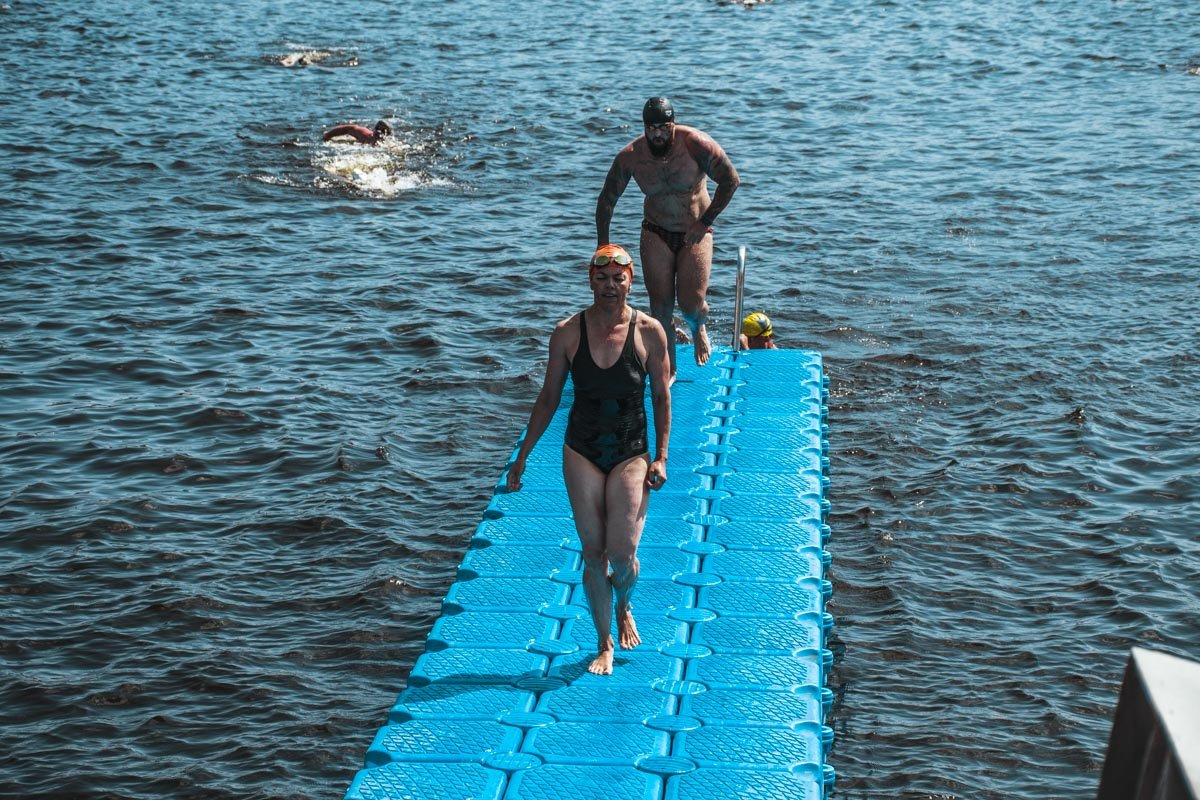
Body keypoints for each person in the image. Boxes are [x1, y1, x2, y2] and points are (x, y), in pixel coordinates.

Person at [506, 244, 672, 676]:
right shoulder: (567, 332)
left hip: (631, 452)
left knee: (623, 552)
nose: (610, 287)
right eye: (602, 279)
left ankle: (624, 603)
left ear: (630, 282)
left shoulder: (649, 332)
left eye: (618, 279)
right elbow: (548, 398)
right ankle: (604, 643)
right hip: (581, 449)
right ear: (590, 282)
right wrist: (522, 457)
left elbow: (660, 396)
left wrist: (661, 457)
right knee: (594, 552)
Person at [596, 96, 740, 377]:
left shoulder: (696, 145)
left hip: (694, 232)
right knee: (660, 308)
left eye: (664, 127)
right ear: (644, 127)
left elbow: (730, 180)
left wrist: (705, 222)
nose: (658, 135)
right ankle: (668, 369)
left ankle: (697, 327)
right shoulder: (631, 156)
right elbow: (607, 200)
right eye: (651, 129)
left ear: (673, 124)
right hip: (656, 232)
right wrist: (603, 245)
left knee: (691, 305)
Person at [322, 120, 392, 145]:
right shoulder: (364, 135)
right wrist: (328, 135)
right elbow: (348, 128)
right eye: (377, 134)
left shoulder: (388, 144)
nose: (379, 136)